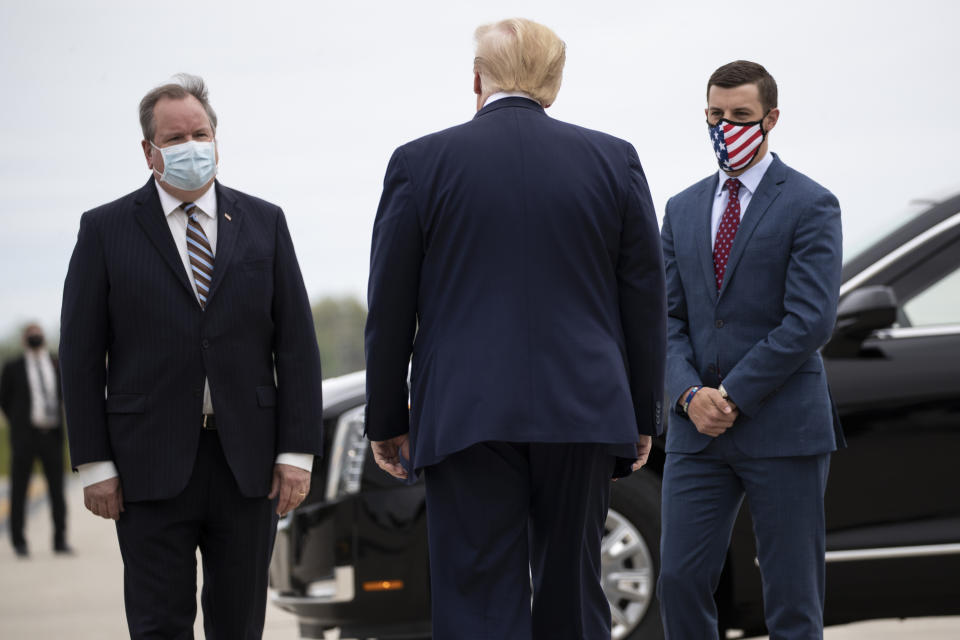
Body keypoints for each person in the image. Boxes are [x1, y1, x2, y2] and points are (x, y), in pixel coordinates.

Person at [364, 18, 666, 640]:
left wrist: (388, 419)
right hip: (584, 408)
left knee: (476, 596)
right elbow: (644, 299)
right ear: (553, 84)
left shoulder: (419, 163)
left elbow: (390, 305)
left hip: (466, 412)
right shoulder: (616, 160)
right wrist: (642, 414)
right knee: (574, 594)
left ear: (476, 77)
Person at [59, 74, 323, 639]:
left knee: (240, 625)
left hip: (247, 466)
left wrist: (297, 452)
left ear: (217, 140)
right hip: (145, 465)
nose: (191, 147)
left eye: (200, 134)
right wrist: (95, 464)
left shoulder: (265, 223)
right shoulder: (104, 230)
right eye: (175, 139)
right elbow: (80, 358)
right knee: (158, 625)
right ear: (149, 151)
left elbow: (297, 345)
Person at [658, 60, 844, 639]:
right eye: (716, 114)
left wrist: (732, 395)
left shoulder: (812, 204)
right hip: (696, 431)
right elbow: (664, 318)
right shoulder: (681, 208)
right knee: (680, 581)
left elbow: (810, 320)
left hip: (782, 426)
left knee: (791, 598)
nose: (726, 126)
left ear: (771, 118)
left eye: (740, 116)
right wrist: (689, 394)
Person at [1, 324, 71, 557]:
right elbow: (5, 400)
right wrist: (18, 423)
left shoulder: (55, 362)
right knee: (19, 490)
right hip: (25, 436)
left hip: (51, 435)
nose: (35, 338)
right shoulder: (13, 367)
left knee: (57, 490)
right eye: (31, 335)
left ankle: (60, 540)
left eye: (37, 334)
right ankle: (19, 542)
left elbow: (65, 393)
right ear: (24, 340)